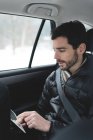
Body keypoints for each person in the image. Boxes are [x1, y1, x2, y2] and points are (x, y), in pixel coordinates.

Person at [16, 20, 93, 139]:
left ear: (81, 49)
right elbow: (41, 110)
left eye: (61, 50)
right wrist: (30, 119)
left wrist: (50, 126)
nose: (55, 57)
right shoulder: (53, 77)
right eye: (54, 50)